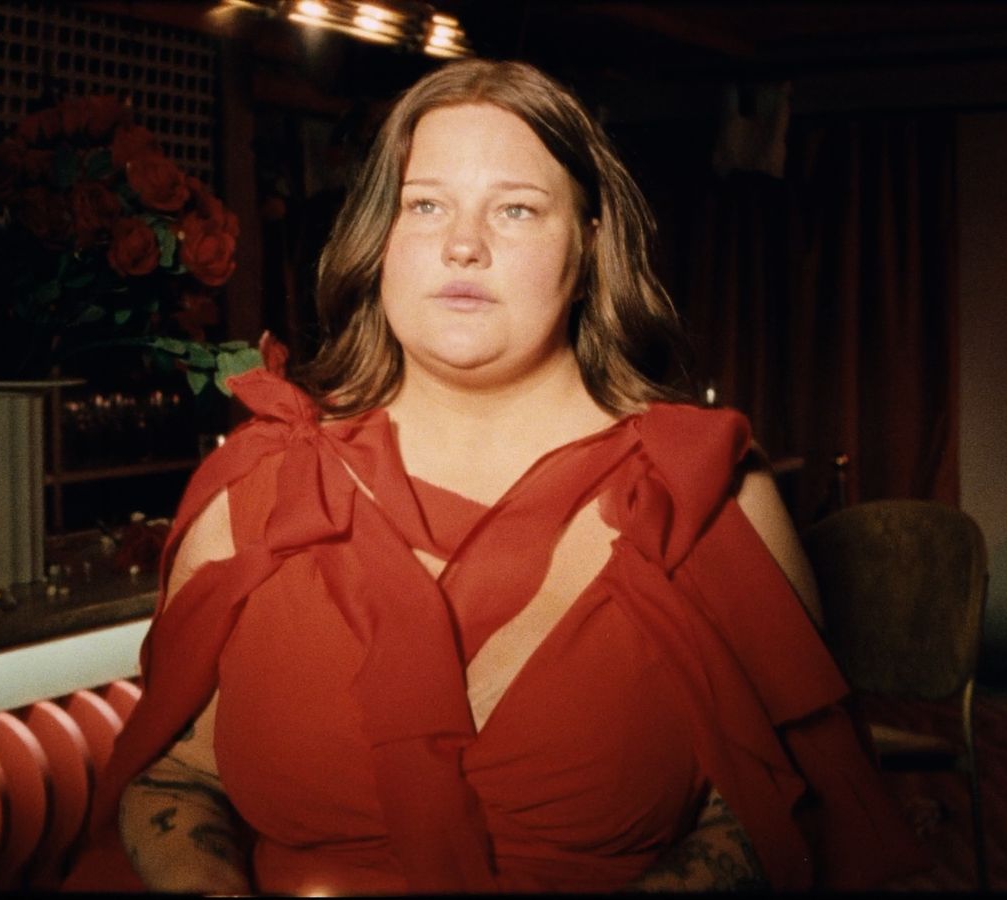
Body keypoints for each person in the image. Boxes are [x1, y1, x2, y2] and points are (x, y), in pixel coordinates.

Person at [64, 59, 926, 893]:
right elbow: (173, 779)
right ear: (381, 239)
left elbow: (780, 811)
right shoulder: (257, 484)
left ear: (589, 246)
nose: (463, 245)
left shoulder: (701, 492)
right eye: (426, 205)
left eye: (515, 211)